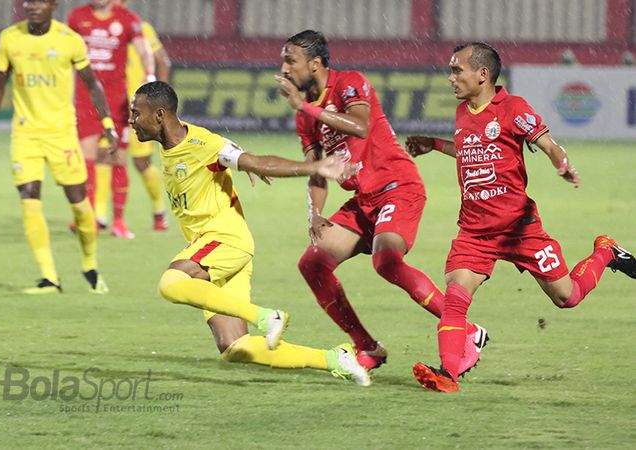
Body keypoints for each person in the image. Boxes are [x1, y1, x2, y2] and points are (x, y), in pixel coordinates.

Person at [405, 42, 636, 392]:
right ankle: (448, 375)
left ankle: (606, 251)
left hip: (519, 228)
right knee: (455, 296)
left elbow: (547, 143)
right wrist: (435, 145)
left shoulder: (513, 108)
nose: (450, 78)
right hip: (475, 232)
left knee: (567, 297)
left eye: (457, 70)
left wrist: (561, 163)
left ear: (482, 74)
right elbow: (472, 150)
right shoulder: (463, 112)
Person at [274, 30, 487, 377]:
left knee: (386, 261)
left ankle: (466, 329)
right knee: (312, 265)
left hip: (398, 185)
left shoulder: (349, 83)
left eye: (290, 60)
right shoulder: (305, 117)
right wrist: (315, 215)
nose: (283, 68)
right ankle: (367, 347)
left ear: (314, 65)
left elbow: (359, 126)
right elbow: (318, 169)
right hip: (364, 198)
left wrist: (306, 106)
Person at [129, 81, 371, 385]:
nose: (131, 121)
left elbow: (256, 162)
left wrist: (317, 167)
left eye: (136, 113)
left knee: (171, 283)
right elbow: (238, 155)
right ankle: (335, 359)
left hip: (223, 239)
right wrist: (244, 156)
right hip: (220, 251)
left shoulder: (203, 146)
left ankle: (266, 317)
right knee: (235, 348)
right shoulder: (178, 142)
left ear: (160, 115)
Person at [0, 0, 118, 295]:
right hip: (25, 135)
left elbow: (92, 84)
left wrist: (108, 124)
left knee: (79, 203)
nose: (32, 6)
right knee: (29, 197)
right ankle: (49, 278)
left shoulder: (69, 40)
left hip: (62, 135)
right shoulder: (9, 38)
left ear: (53, 5)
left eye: (40, 1)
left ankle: (89, 265)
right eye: (28, 1)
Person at [68, 0, 155, 239]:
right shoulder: (77, 16)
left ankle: (119, 221)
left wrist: (150, 75)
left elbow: (144, 50)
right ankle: (90, 218)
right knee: (86, 159)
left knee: (119, 158)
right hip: (86, 100)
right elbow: (65, 50)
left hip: (117, 101)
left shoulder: (127, 19)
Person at [119, 0, 172, 231]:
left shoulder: (141, 28)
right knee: (104, 157)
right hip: (109, 104)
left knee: (141, 162)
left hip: (137, 106)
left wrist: (158, 99)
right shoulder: (95, 30)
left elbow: (163, 62)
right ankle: (98, 217)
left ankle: (159, 212)